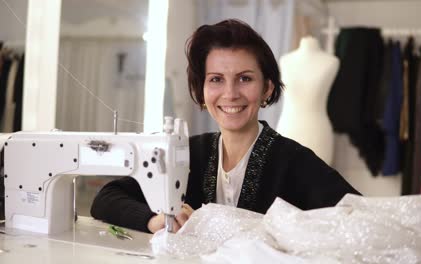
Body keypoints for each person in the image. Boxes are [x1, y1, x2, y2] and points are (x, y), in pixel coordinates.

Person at [90, 19, 359, 234]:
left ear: (267, 87)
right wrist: (152, 221)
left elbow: (363, 218)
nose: (230, 94)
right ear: (202, 90)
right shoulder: (190, 152)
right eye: (216, 79)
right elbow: (107, 197)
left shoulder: (294, 162)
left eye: (244, 78)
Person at [276, 36, 339, 165]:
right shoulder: (285, 60)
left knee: (318, 181)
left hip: (317, 134)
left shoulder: (331, 61)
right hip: (288, 129)